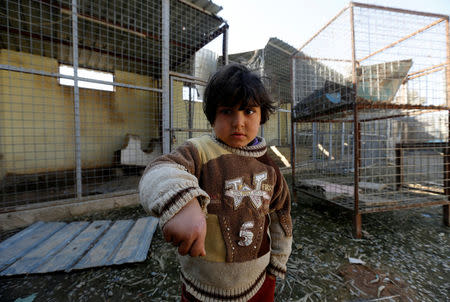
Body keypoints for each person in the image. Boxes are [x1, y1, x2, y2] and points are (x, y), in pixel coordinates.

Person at [139, 63, 292, 302]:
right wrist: (184, 202)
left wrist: (278, 262)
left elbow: (281, 214)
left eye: (248, 111)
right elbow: (158, 170)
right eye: (227, 111)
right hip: (203, 287)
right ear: (212, 116)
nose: (238, 122)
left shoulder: (270, 167)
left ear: (262, 114)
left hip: (259, 282)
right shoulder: (198, 152)